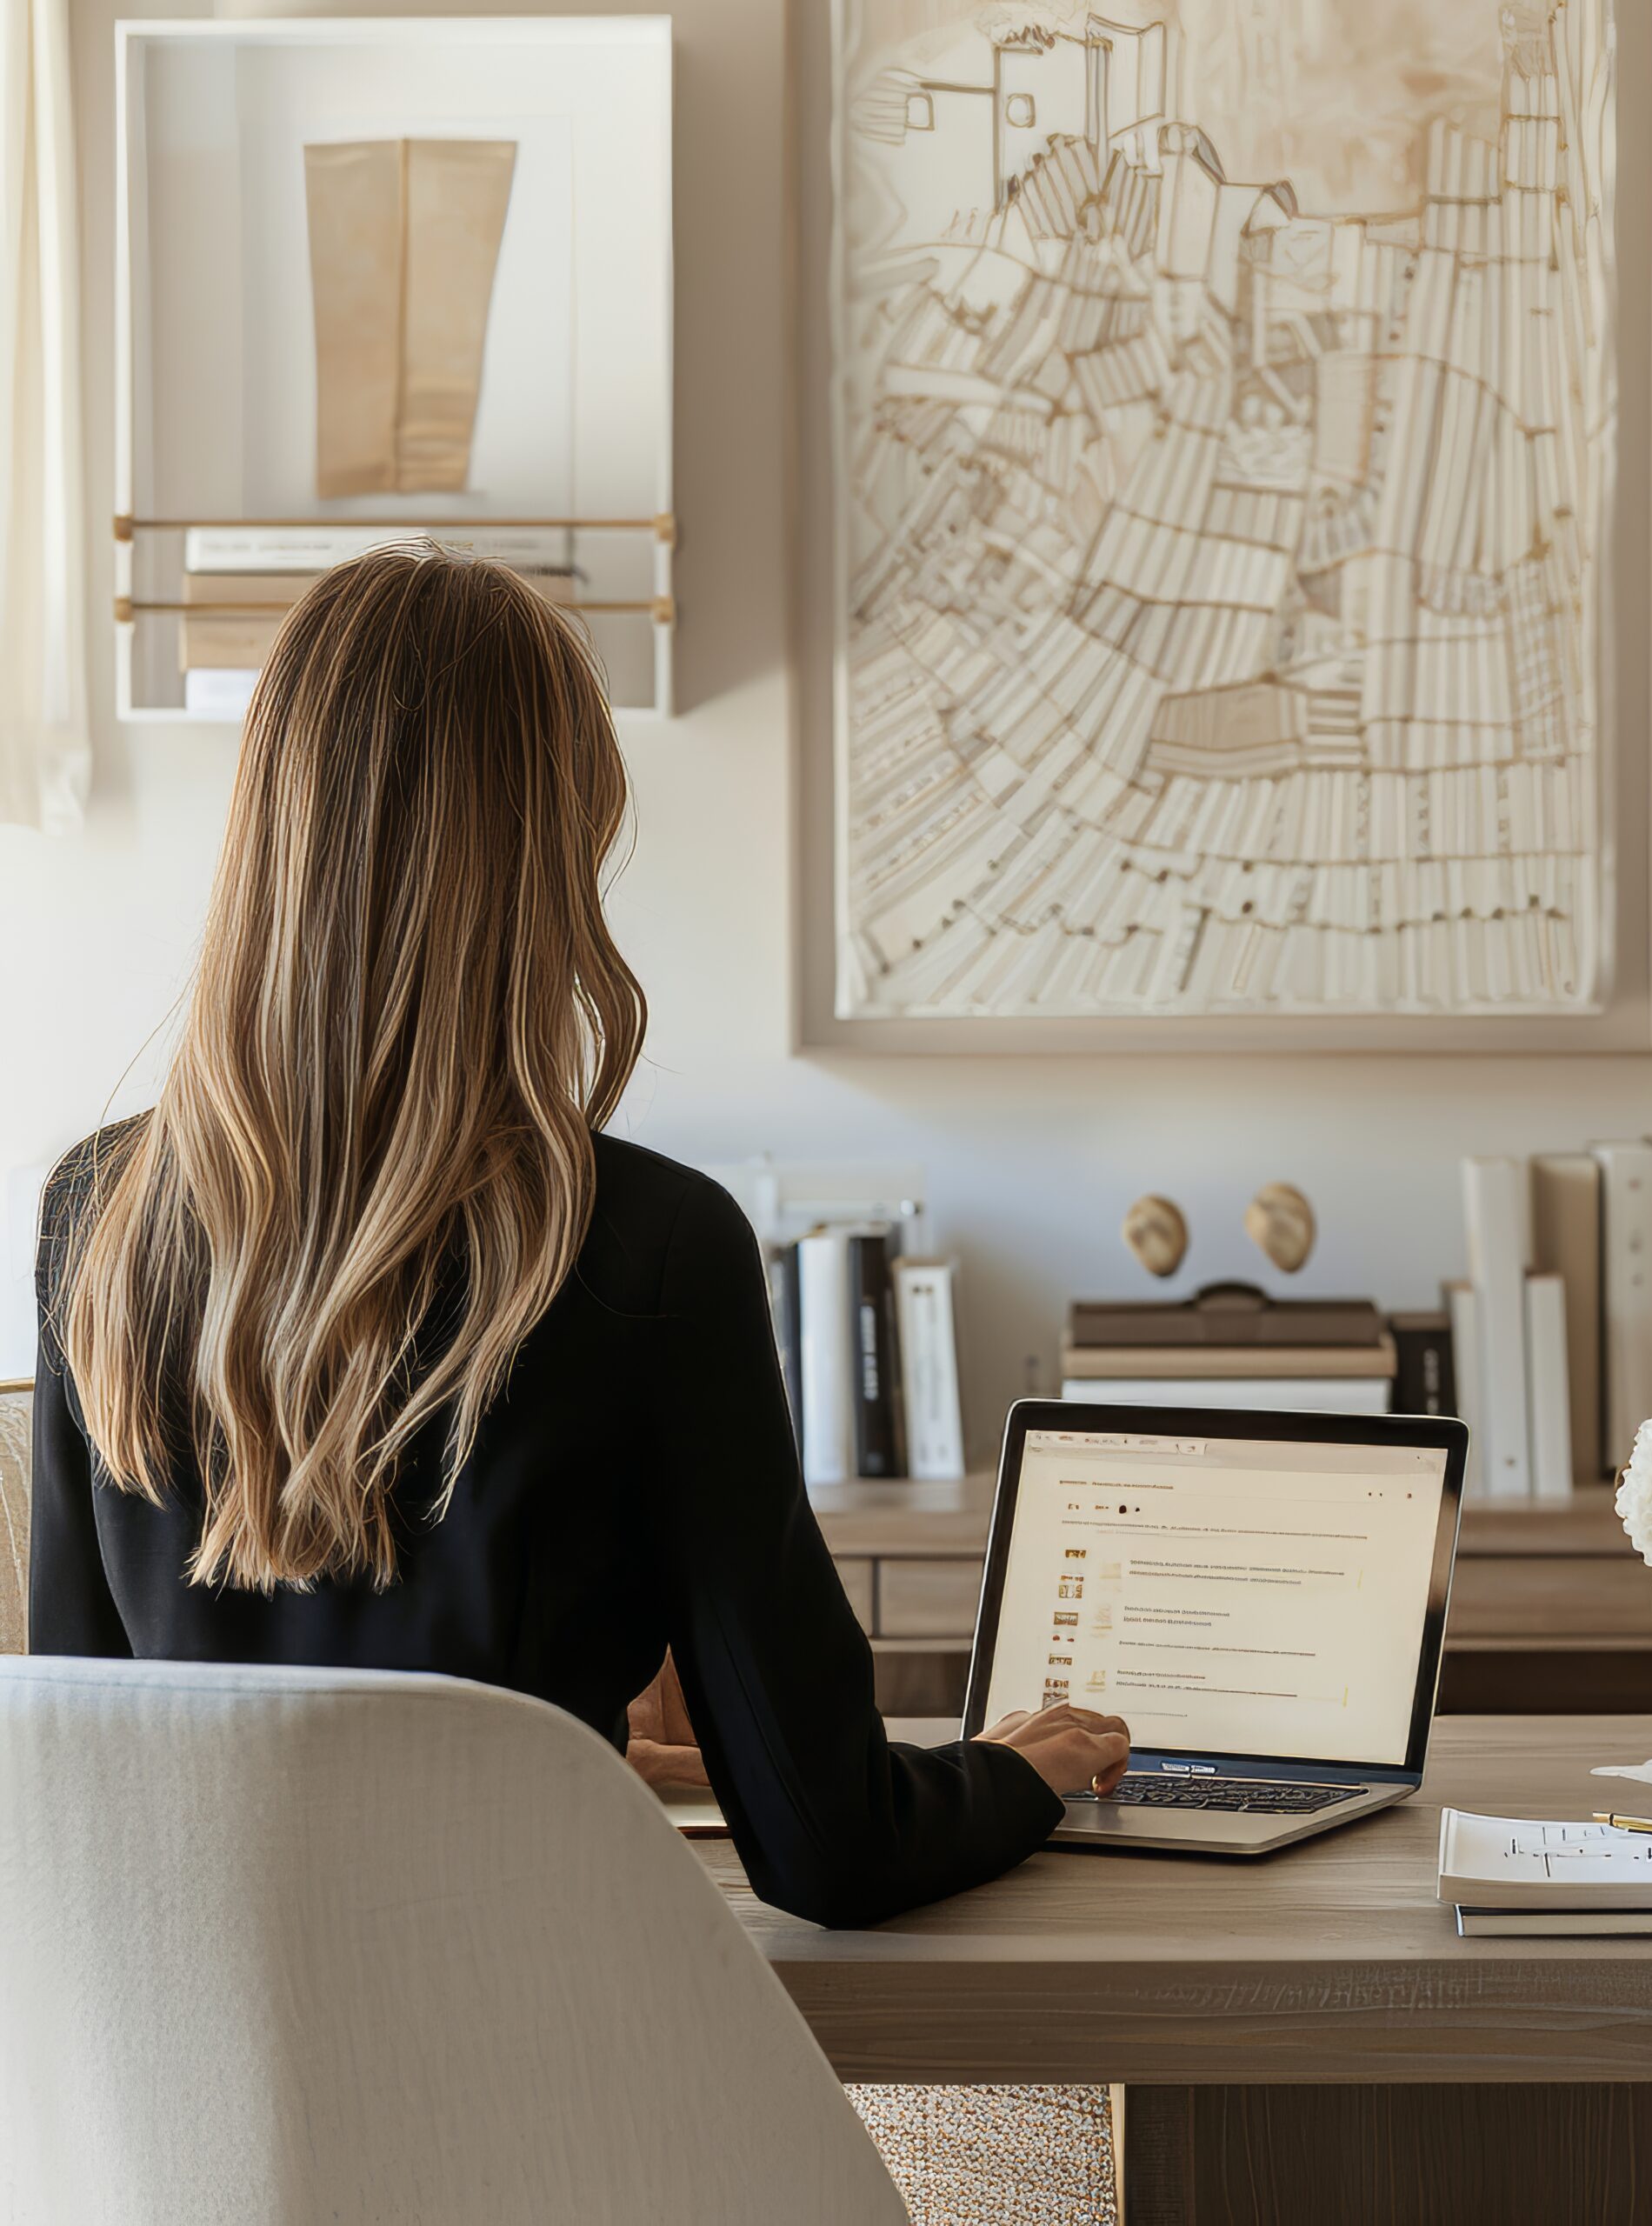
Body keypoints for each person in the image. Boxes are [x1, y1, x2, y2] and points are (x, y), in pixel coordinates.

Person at [30, 543, 1129, 1929]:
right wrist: (1011, 1773)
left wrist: (583, 1763)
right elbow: (832, 1849)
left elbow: (82, 1784)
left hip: (191, 2115)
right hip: (530, 2115)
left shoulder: (98, 1219)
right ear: (547, 861)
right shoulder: (654, 1251)